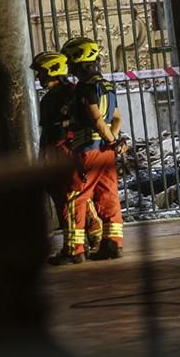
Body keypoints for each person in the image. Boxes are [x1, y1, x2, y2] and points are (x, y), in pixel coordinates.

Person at [54, 36, 125, 264]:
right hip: (105, 150)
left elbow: (97, 120)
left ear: (80, 62)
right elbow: (117, 118)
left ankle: (74, 250)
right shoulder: (106, 85)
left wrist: (109, 139)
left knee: (76, 196)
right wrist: (113, 142)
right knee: (108, 193)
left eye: (72, 63)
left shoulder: (86, 88)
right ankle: (113, 243)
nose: (71, 68)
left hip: (88, 150)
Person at [30, 51, 77, 234]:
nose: (39, 77)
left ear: (53, 69)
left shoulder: (72, 93)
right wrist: (43, 154)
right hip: (53, 150)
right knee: (56, 191)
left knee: (74, 193)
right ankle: (69, 228)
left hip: (70, 149)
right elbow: (46, 130)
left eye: (41, 72)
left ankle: (86, 234)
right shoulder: (47, 99)